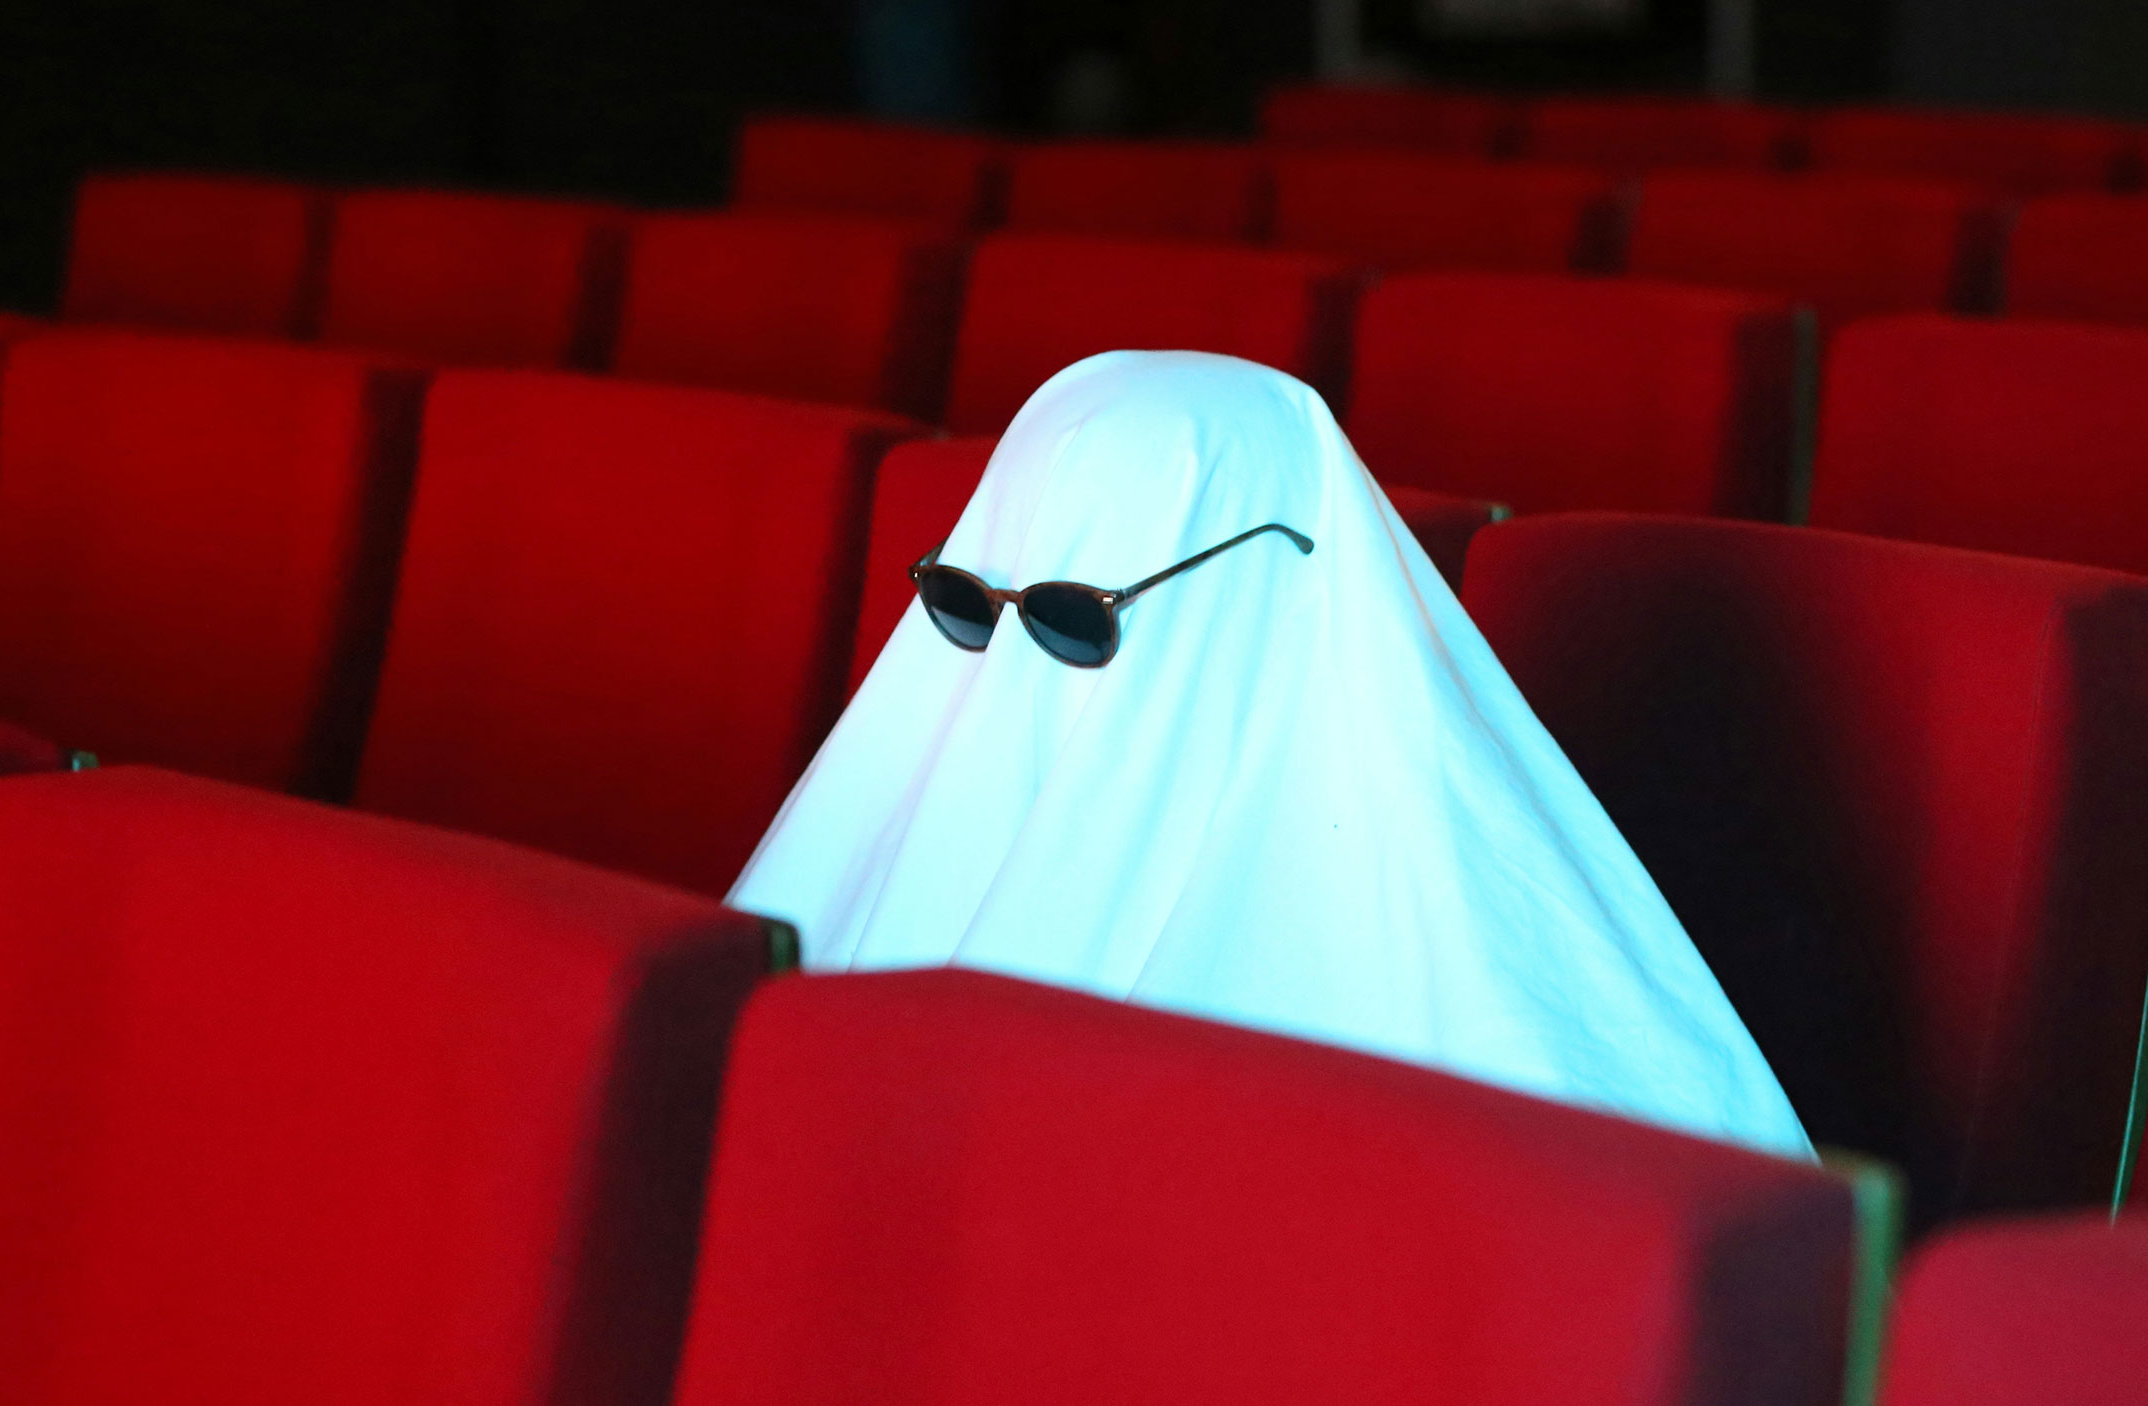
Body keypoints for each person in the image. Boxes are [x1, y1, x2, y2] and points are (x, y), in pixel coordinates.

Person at [729, 351, 1811, 1158]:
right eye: (962, 601)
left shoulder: (1482, 973)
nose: (1007, 660)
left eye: (1071, 617)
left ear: (1277, 570)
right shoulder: (892, 817)